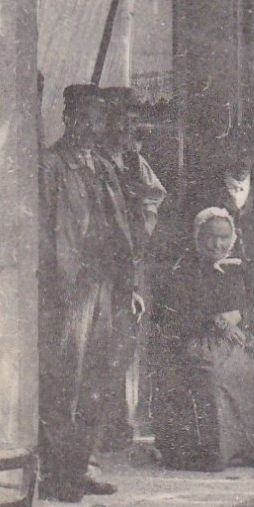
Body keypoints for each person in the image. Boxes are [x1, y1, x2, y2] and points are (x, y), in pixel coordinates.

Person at [38, 84, 131, 501]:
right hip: (70, 286)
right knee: (65, 378)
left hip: (104, 284)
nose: (95, 127)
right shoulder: (53, 166)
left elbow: (123, 229)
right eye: (87, 118)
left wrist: (129, 282)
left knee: (99, 375)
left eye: (99, 119)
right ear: (70, 119)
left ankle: (86, 465)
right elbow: (45, 232)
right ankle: (60, 474)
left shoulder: (105, 168)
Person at [152, 208, 254, 471]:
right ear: (198, 237)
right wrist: (214, 321)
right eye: (211, 237)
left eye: (224, 237)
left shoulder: (242, 269)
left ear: (233, 238)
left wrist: (240, 315)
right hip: (198, 341)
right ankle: (218, 450)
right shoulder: (185, 270)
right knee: (215, 374)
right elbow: (174, 314)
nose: (218, 244)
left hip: (240, 340)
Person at [96, 86, 167, 452]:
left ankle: (122, 420)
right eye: (121, 118)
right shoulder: (97, 160)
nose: (128, 126)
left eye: (132, 119)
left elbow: (156, 197)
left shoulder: (134, 162)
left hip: (134, 261)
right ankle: (104, 427)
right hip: (107, 265)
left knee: (127, 343)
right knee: (104, 345)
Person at [175, 122, 254, 292]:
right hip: (214, 284)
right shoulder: (202, 192)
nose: (242, 161)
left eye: (249, 155)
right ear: (225, 153)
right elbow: (185, 238)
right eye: (237, 153)